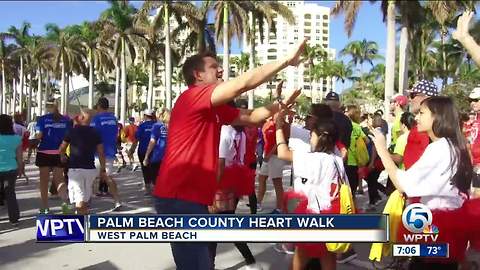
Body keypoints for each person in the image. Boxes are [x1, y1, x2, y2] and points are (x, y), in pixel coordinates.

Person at [152, 39, 305, 270]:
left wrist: (279, 105)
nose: (221, 69)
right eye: (214, 66)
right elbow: (242, 85)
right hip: (178, 199)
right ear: (198, 75)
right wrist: (286, 59)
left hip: (191, 198)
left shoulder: (213, 108)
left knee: (200, 263)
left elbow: (252, 117)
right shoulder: (193, 96)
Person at [370, 96, 480, 268]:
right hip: (449, 230)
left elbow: (402, 184)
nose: (416, 118)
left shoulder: (439, 148)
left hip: (435, 229)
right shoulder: (454, 146)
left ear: (437, 116)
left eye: (422, 113)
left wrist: (381, 149)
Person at [276, 109, 345, 270]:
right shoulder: (337, 159)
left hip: (310, 215)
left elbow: (282, 153)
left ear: (320, 138)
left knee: (301, 254)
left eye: (312, 135)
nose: (310, 138)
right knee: (328, 255)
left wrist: (279, 128)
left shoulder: (310, 158)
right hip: (330, 214)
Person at [209, 120, 261, 270]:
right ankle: (249, 260)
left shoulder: (225, 131)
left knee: (216, 224)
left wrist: (212, 192)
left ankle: (210, 264)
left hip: (222, 181)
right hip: (235, 178)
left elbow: (221, 163)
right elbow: (240, 159)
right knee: (226, 221)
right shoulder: (241, 132)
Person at [59, 110, 107, 214]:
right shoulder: (95, 132)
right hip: (90, 169)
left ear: (81, 118)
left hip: (75, 169)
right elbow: (101, 152)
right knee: (85, 198)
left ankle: (80, 221)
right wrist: (103, 169)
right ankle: (84, 218)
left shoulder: (71, 131)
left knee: (79, 198)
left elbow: (62, 148)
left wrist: (63, 156)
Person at [35, 98, 72, 214]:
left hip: (44, 152)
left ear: (48, 107)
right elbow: (68, 136)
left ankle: (45, 207)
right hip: (59, 152)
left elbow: (38, 136)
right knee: (59, 180)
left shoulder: (42, 119)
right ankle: (65, 204)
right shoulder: (66, 120)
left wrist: (37, 138)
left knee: (44, 181)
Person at [91, 97, 122, 210]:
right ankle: (117, 200)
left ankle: (86, 202)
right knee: (108, 177)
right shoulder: (114, 118)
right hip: (110, 152)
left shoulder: (96, 119)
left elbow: (92, 134)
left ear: (99, 106)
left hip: (97, 153)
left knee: (90, 178)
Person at [403, 80, 438, 170]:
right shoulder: (419, 123)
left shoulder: (430, 125)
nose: (410, 99)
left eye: (413, 95)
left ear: (426, 97)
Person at [0, 114, 23, 226]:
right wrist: (20, 169)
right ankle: (14, 219)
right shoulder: (17, 138)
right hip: (11, 169)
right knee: (10, 193)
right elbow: (19, 157)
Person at [143, 111, 168, 195]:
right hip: (169, 156)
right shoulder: (172, 125)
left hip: (158, 155)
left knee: (155, 178)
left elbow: (152, 141)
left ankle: (158, 194)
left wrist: (146, 156)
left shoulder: (157, 126)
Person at [133, 110, 156, 194]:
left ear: (146, 116)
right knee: (153, 168)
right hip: (154, 150)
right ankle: (154, 186)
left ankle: (147, 187)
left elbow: (137, 137)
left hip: (142, 150)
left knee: (145, 168)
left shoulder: (142, 126)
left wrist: (132, 149)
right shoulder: (157, 125)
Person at [467, 86, 480, 198]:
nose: (472, 103)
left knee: (476, 198)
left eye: (476, 100)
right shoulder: (475, 119)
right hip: (473, 165)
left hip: (479, 165)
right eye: (470, 100)